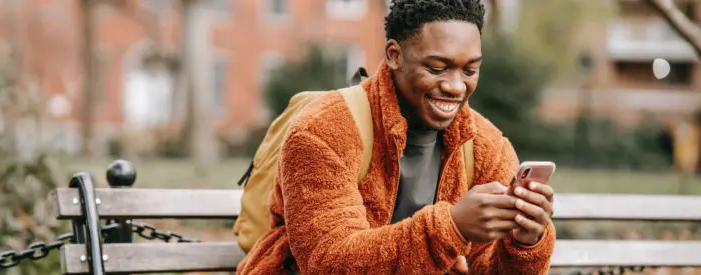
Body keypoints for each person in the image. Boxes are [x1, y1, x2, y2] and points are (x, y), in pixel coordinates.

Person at [236, 0, 556, 274]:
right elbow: (328, 262)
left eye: (469, 70)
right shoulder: (323, 130)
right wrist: (451, 228)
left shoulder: (486, 146)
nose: (456, 86)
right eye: (436, 67)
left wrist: (525, 241)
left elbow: (489, 269)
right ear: (394, 55)